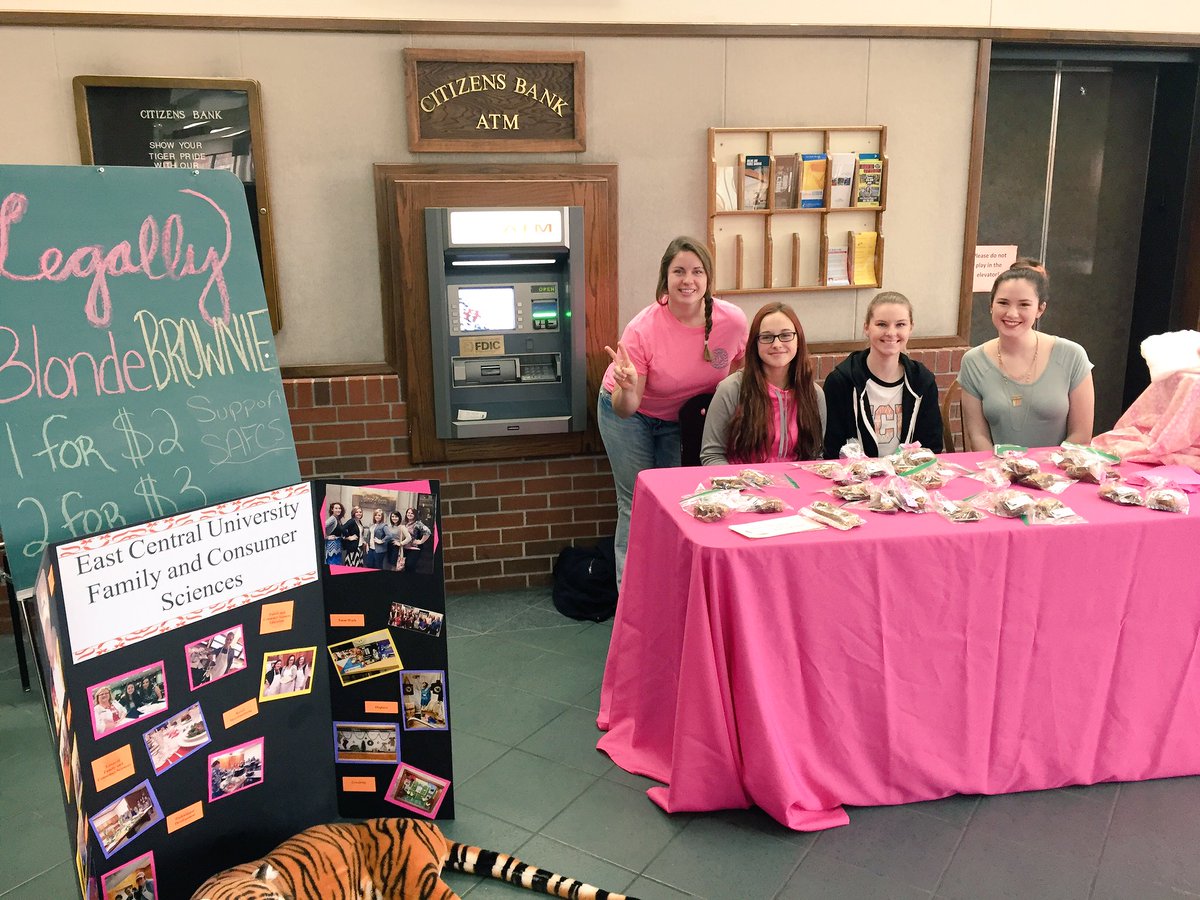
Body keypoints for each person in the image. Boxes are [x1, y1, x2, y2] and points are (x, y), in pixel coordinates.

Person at [598, 236, 749, 586]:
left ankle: (669, 592)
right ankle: (630, 604)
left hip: (681, 419)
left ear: (709, 278)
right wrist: (625, 383)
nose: (688, 280)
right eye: (678, 271)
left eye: (697, 271)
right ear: (665, 278)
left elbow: (739, 373)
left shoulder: (733, 321)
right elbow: (627, 407)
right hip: (629, 412)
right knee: (636, 502)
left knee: (675, 503)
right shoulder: (643, 329)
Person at [960, 267, 1094, 449]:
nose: (1012, 313)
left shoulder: (1072, 355)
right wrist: (1002, 472)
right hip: (997, 473)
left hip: (1058, 472)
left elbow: (1081, 434)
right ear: (991, 306)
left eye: (1024, 304)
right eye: (1003, 303)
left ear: (1040, 309)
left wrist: (1043, 474)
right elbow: (978, 436)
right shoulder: (973, 361)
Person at [700, 302, 826, 464]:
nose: (777, 344)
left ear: (798, 340)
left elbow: (815, 456)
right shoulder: (731, 389)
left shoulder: (814, 394)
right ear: (755, 344)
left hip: (796, 486)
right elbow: (712, 455)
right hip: (741, 485)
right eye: (767, 337)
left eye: (786, 335)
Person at [823, 291, 944, 458]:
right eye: (881, 324)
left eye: (900, 324)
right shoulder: (841, 382)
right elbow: (831, 449)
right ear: (866, 327)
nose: (891, 332)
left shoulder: (922, 381)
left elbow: (932, 446)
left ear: (911, 328)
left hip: (908, 479)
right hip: (855, 480)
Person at [400, 507, 430, 572]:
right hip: (403, 548)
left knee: (409, 566)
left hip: (413, 549)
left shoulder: (417, 523)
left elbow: (427, 532)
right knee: (402, 567)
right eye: (408, 513)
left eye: (412, 513)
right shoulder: (404, 522)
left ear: (415, 515)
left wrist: (421, 541)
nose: (410, 514)